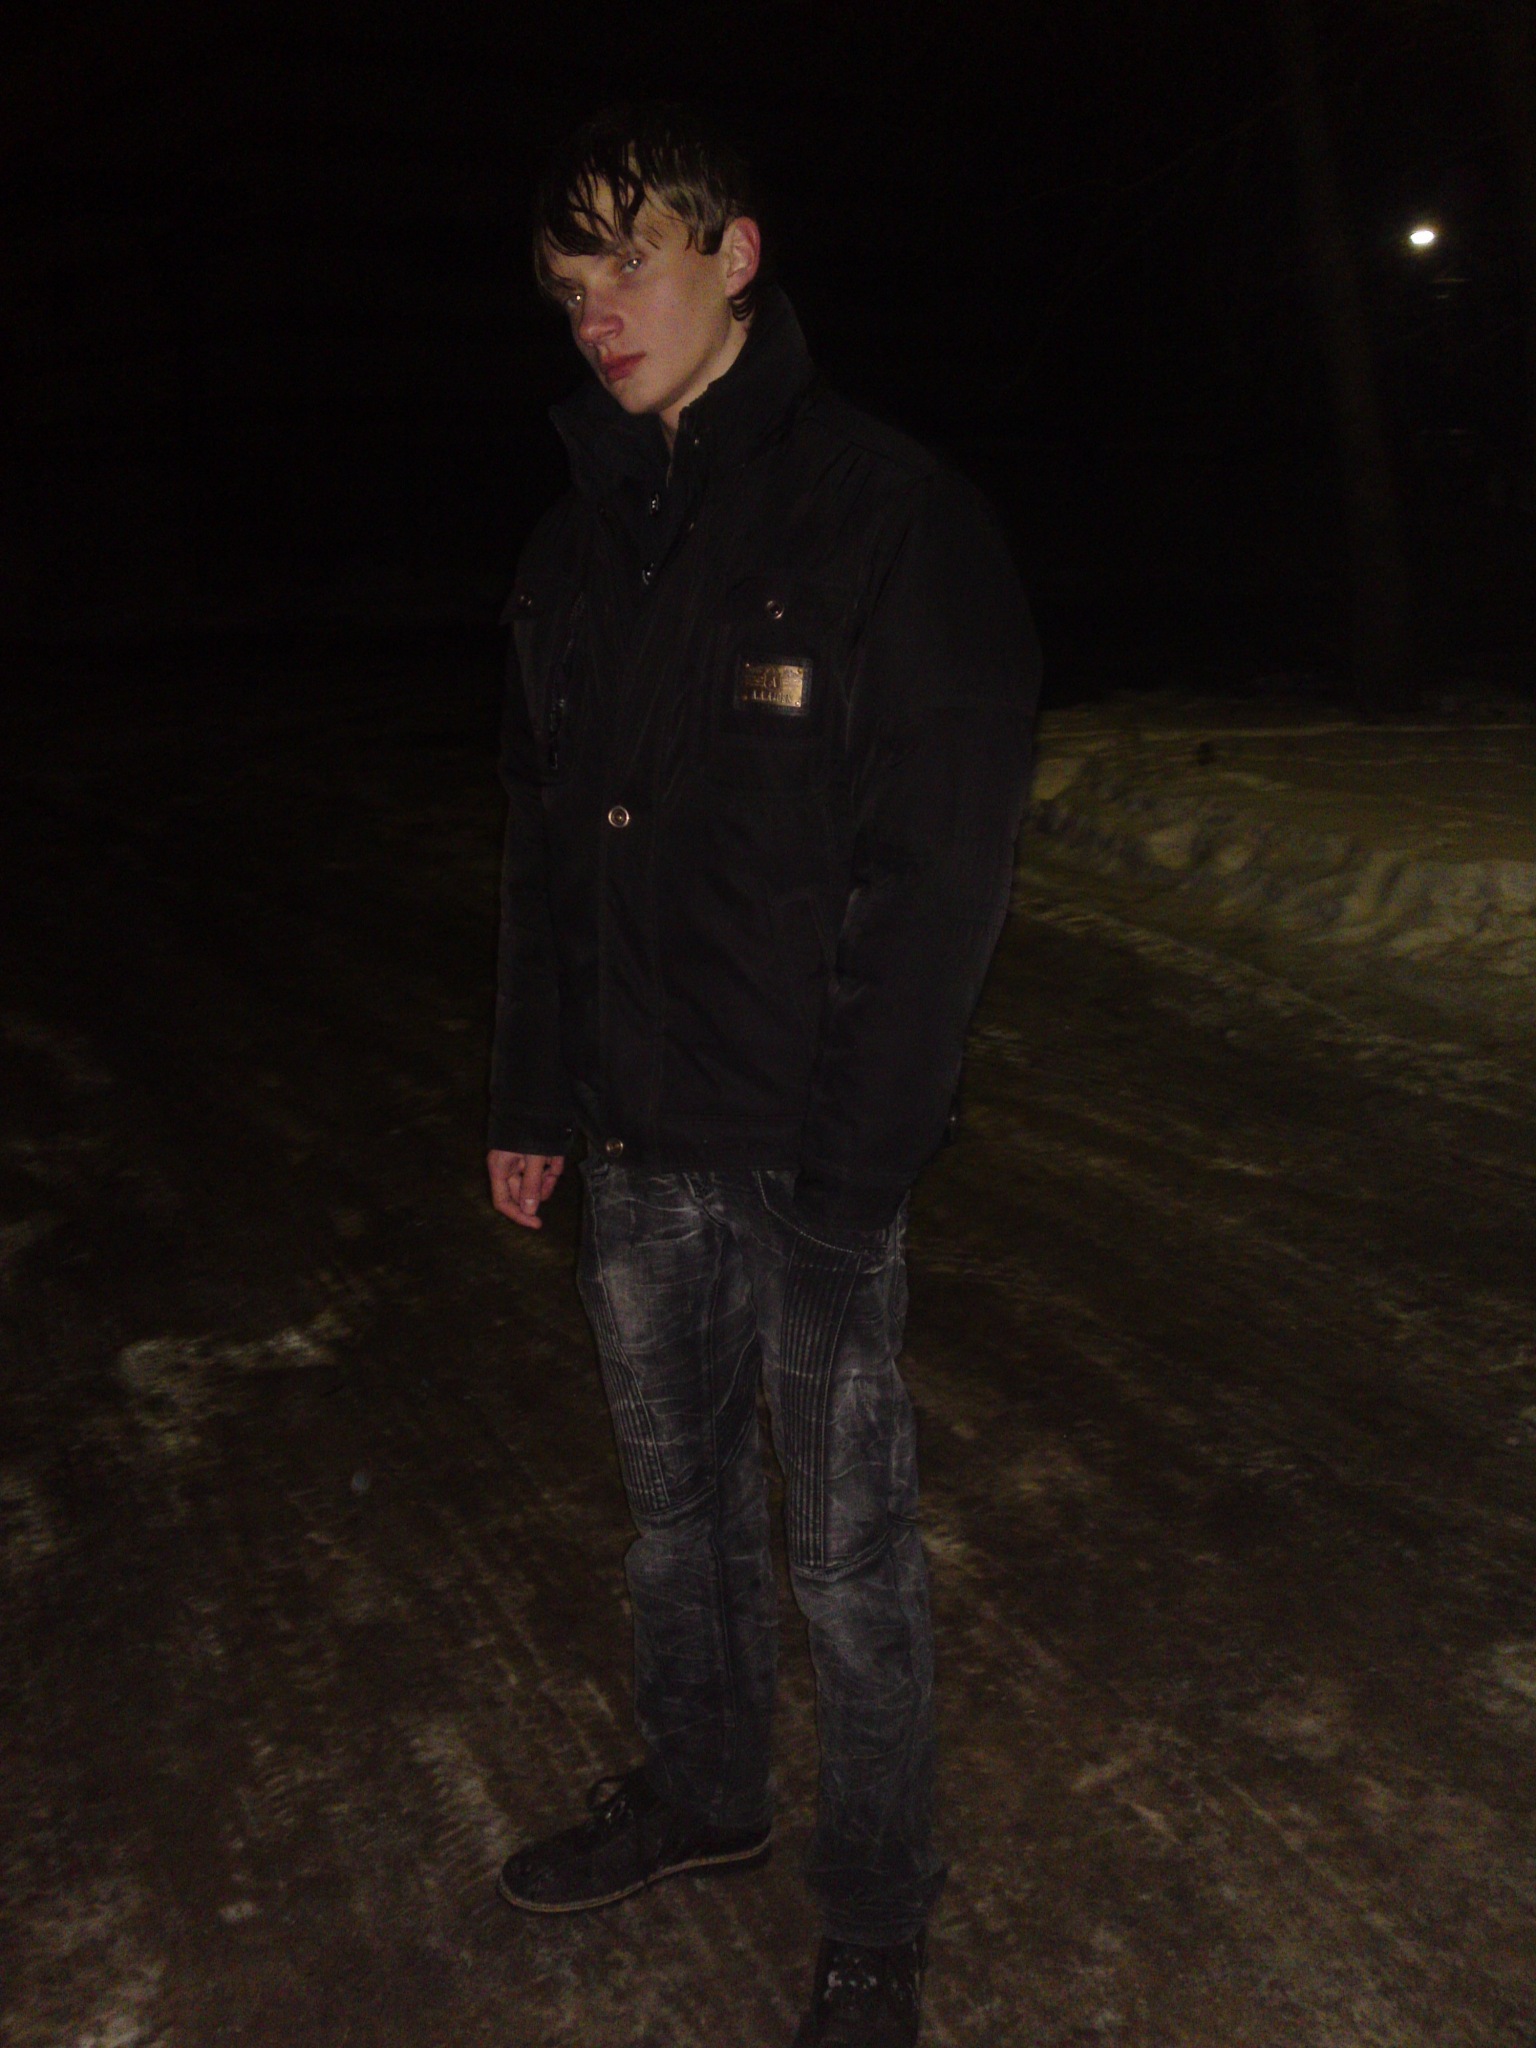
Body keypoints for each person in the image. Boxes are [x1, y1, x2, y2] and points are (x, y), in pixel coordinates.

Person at [487, 102, 1040, 2048]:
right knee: (678, 1519)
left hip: (808, 1148)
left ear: (733, 256)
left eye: (627, 260)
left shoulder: (887, 516)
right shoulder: (572, 546)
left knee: (849, 1555)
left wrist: (857, 1160)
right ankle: (706, 1792)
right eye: (570, 283)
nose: (595, 311)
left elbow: (939, 865)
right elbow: (550, 846)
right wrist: (531, 1094)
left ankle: (877, 1911)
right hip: (635, 1138)